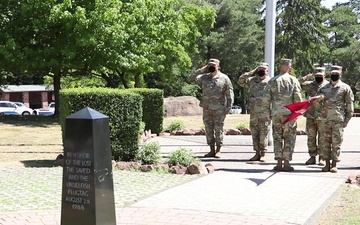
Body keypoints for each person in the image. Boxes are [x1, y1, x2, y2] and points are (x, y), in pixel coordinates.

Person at [188, 59, 234, 158]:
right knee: (208, 129)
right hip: (207, 108)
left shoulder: (224, 78)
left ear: (218, 67)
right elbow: (190, 79)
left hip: (219, 109)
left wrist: (228, 108)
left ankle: (218, 150)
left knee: (218, 129)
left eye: (213, 65)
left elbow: (230, 94)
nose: (211, 67)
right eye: (210, 65)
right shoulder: (204, 78)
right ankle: (211, 150)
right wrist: (201, 70)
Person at [263, 59, 302, 171]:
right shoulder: (293, 80)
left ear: (280, 67)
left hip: (276, 113)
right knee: (289, 137)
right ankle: (287, 162)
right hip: (289, 114)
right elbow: (298, 99)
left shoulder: (273, 80)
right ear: (289, 67)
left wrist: (268, 112)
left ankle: (279, 163)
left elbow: (266, 99)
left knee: (277, 137)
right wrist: (297, 112)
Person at [316, 67, 354, 173]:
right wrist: (319, 101)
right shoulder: (324, 88)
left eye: (336, 73)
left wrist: (347, 120)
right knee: (325, 142)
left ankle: (334, 164)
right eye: (332, 73)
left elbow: (349, 105)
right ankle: (326, 164)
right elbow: (316, 104)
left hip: (338, 119)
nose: (334, 75)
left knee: (336, 143)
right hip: (325, 119)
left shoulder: (345, 88)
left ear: (340, 74)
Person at [237, 63, 271, 162]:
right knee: (254, 133)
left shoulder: (271, 82)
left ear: (267, 71)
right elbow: (240, 81)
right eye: (259, 69)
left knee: (263, 133)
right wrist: (252, 71)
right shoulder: (252, 80)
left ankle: (263, 153)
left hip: (265, 112)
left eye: (263, 69)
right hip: (254, 112)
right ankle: (257, 153)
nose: (261, 71)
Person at [298, 67, 329, 166]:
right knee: (311, 137)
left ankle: (322, 158)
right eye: (316, 76)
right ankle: (312, 157)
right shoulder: (310, 85)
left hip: (323, 116)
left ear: (324, 76)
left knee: (322, 138)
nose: (318, 77)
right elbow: (296, 84)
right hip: (311, 115)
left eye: (320, 76)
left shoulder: (328, 86)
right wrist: (306, 77)